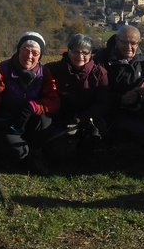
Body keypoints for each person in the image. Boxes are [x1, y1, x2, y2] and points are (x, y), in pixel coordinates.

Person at [0, 32, 59, 174]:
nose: (29, 55)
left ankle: (34, 152)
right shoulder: (0, 72)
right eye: (25, 49)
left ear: (40, 56)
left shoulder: (44, 73)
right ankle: (12, 152)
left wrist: (34, 106)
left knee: (45, 120)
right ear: (18, 49)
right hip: (6, 123)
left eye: (35, 52)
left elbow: (54, 102)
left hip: (28, 121)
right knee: (18, 152)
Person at [95, 25, 144, 146]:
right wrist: (120, 99)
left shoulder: (141, 55)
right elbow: (97, 91)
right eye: (124, 42)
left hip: (138, 107)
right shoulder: (103, 57)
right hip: (113, 111)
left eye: (133, 43)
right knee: (139, 134)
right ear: (117, 40)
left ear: (139, 43)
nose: (129, 47)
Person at [44, 34, 109, 165]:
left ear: (91, 54)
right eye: (76, 51)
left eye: (85, 53)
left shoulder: (100, 73)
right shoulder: (53, 69)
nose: (80, 56)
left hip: (89, 119)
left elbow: (103, 103)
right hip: (60, 118)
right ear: (68, 51)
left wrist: (82, 119)